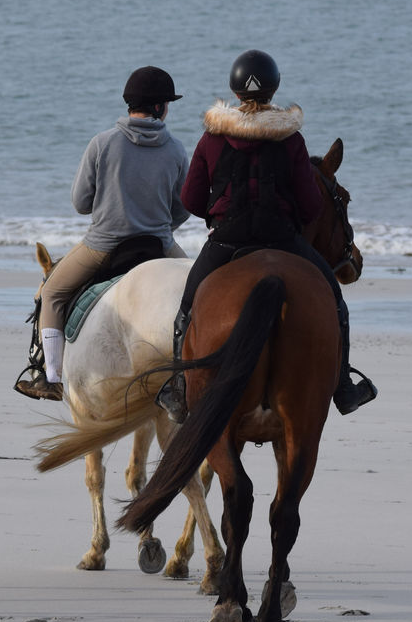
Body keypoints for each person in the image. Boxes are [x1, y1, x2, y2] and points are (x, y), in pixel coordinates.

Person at [154, 49, 377, 424]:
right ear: (272, 90)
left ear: (235, 92)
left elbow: (190, 199)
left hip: (226, 242)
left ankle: (178, 389)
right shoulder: (290, 139)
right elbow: (311, 206)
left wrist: (217, 215)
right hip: (282, 241)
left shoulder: (212, 137)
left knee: (188, 307)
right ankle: (343, 384)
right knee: (335, 301)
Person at [15, 66, 191, 400]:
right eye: (167, 103)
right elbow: (183, 206)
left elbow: (80, 202)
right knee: (199, 291)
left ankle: (48, 376)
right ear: (158, 107)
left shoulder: (102, 143)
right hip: (158, 246)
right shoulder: (176, 149)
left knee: (51, 293)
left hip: (104, 246)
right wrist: (160, 227)